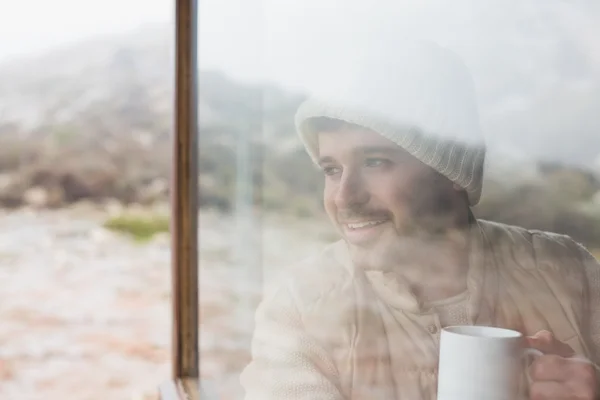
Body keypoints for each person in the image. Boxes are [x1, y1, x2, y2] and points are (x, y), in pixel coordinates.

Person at [240, 39, 600, 399]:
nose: (344, 197)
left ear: (454, 170)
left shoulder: (571, 274)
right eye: (331, 169)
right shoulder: (300, 306)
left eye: (375, 162)